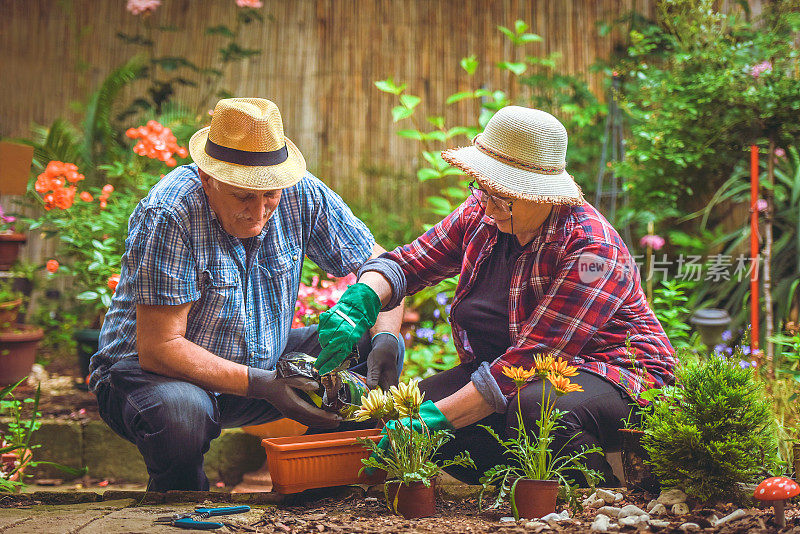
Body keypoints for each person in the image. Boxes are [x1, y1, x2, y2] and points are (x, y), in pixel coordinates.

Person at [316, 106, 677, 485]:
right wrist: (362, 298)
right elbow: (408, 263)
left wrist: (434, 421)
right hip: (508, 371)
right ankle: (520, 481)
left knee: (535, 409)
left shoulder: (592, 251)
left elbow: (532, 358)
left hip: (616, 375)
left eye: (502, 197)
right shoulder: (484, 212)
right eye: (483, 189)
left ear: (542, 194)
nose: (487, 206)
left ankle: (602, 497)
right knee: (400, 412)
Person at [88, 98, 407, 491]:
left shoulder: (299, 192)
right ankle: (180, 502)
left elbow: (383, 266)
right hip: (147, 377)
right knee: (183, 413)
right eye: (243, 197)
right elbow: (160, 347)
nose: (259, 212)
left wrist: (387, 337)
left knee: (367, 342)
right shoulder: (171, 212)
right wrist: (263, 384)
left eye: (269, 195)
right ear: (208, 178)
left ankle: (316, 486)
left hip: (262, 365)